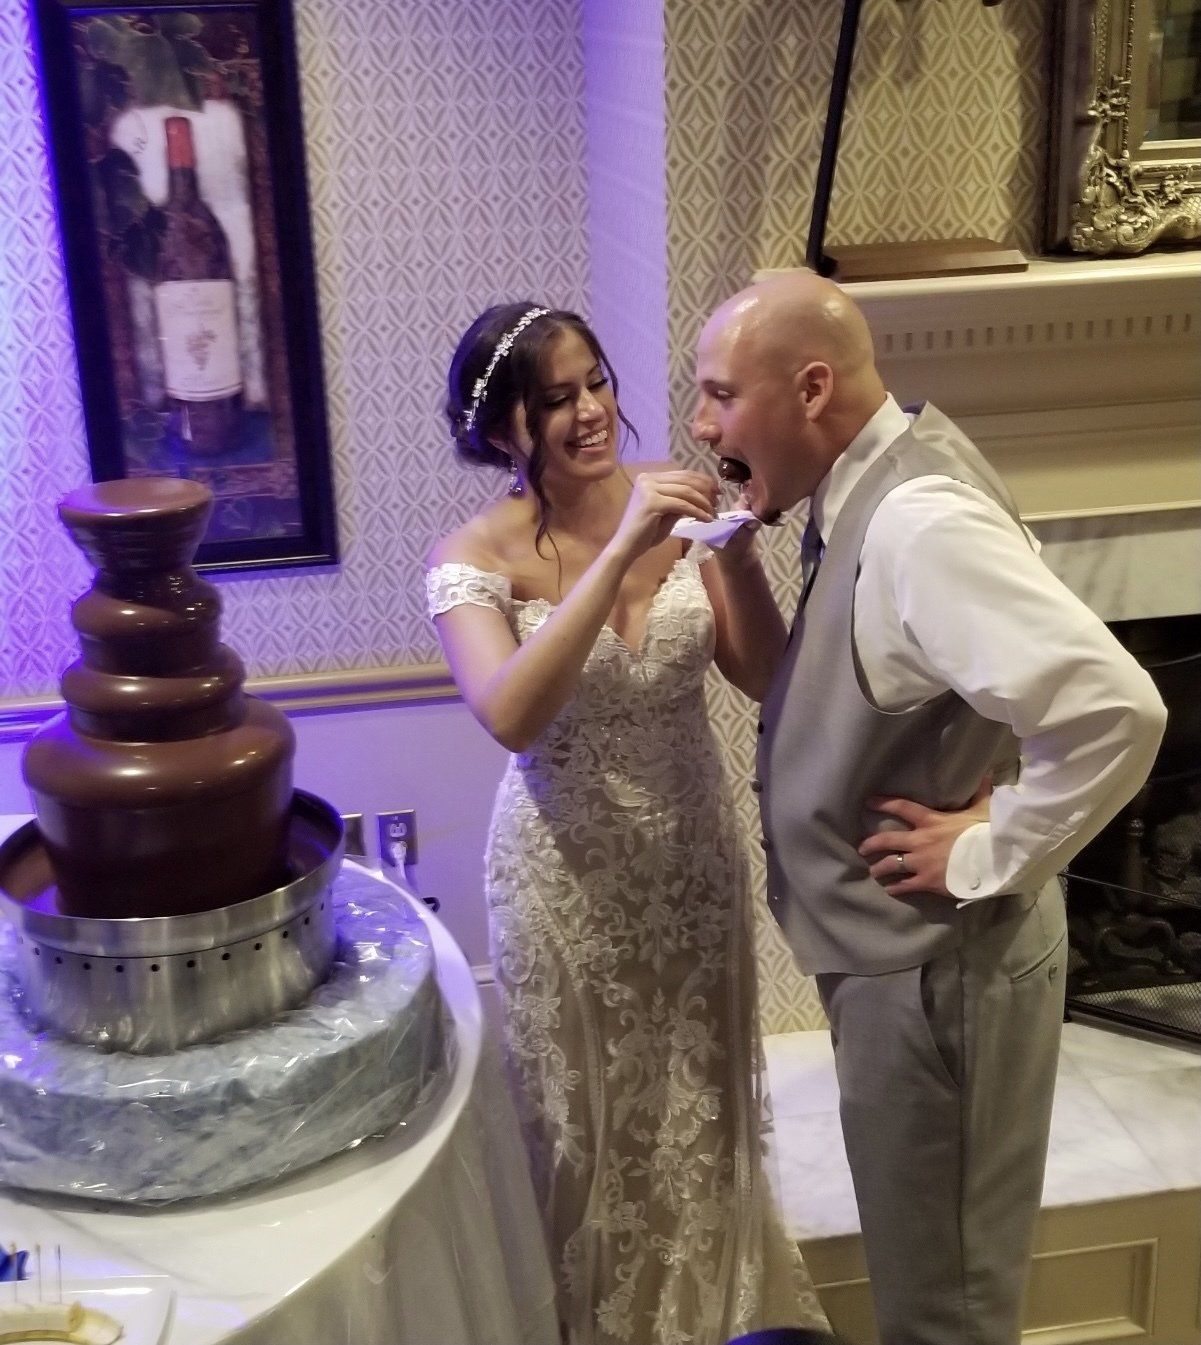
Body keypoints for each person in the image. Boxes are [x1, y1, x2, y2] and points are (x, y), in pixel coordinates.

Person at [691, 272, 1167, 1345]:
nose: (699, 420)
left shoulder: (916, 523)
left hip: (940, 980)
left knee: (943, 1309)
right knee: (929, 1288)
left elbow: (1115, 711)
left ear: (810, 388)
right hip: (903, 971)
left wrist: (989, 847)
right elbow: (815, 687)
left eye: (720, 391)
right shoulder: (860, 492)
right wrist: (732, 561)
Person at [425, 303, 833, 1345]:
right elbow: (510, 712)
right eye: (555, 398)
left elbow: (762, 676)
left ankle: (717, 1316)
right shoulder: (472, 558)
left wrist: (731, 551)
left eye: (595, 382)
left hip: (690, 861)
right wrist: (618, 553)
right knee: (586, 1132)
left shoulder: (675, 503)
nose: (589, 411)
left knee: (700, 1109)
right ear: (501, 428)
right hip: (564, 876)